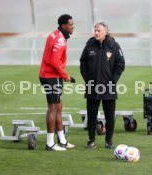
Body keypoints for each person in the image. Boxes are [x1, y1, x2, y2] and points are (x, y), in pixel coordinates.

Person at [80, 22, 125, 149]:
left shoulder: (114, 45)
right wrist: (87, 79)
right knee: (92, 114)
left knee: (110, 116)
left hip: (109, 86)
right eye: (95, 30)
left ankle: (109, 141)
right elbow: (83, 62)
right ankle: (91, 140)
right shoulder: (89, 44)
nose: (95, 33)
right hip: (92, 86)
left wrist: (113, 80)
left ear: (105, 32)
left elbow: (120, 64)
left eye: (98, 30)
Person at [39, 14, 76, 151]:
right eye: (71, 24)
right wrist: (65, 76)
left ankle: (62, 140)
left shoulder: (54, 34)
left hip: (50, 75)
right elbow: (54, 62)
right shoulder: (60, 39)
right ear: (63, 26)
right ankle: (50, 143)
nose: (73, 26)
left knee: (58, 107)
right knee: (53, 108)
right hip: (51, 77)